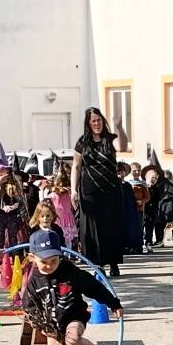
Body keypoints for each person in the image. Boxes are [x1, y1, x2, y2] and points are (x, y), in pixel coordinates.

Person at [22, 229, 121, 345]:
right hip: (51, 327)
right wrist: (43, 327)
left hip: (74, 317)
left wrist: (113, 303)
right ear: (32, 258)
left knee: (72, 339)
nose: (49, 265)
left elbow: (94, 287)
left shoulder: (70, 272)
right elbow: (29, 307)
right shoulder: (33, 281)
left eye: (54, 260)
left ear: (60, 256)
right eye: (44, 262)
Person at [72, 105, 126, 279]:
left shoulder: (110, 139)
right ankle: (98, 265)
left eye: (99, 120)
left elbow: (122, 146)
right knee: (92, 228)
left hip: (110, 190)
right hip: (89, 192)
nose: (97, 123)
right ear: (88, 123)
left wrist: (119, 127)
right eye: (93, 121)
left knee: (111, 226)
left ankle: (113, 262)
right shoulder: (82, 142)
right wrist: (73, 190)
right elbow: (76, 166)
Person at [49, 167, 78, 248]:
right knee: (66, 240)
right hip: (61, 219)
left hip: (62, 219)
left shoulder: (54, 195)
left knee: (63, 240)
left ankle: (65, 252)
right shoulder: (67, 193)